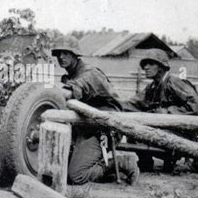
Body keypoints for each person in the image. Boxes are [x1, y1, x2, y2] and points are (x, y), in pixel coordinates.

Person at [51, 37, 139, 185]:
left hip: (105, 129)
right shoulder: (70, 76)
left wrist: (43, 94)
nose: (61, 57)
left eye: (66, 53)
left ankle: (121, 162)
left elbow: (71, 91)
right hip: (85, 127)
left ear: (75, 54)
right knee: (59, 167)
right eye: (59, 53)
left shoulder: (89, 73)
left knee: (76, 175)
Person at [124, 49, 198, 172]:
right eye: (145, 64)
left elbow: (197, 106)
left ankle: (185, 156)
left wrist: (167, 112)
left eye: (151, 64)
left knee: (147, 131)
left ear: (162, 67)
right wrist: (110, 106)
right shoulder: (152, 87)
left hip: (186, 133)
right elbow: (133, 104)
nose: (146, 68)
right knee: (132, 130)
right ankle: (146, 162)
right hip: (167, 129)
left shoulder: (174, 82)